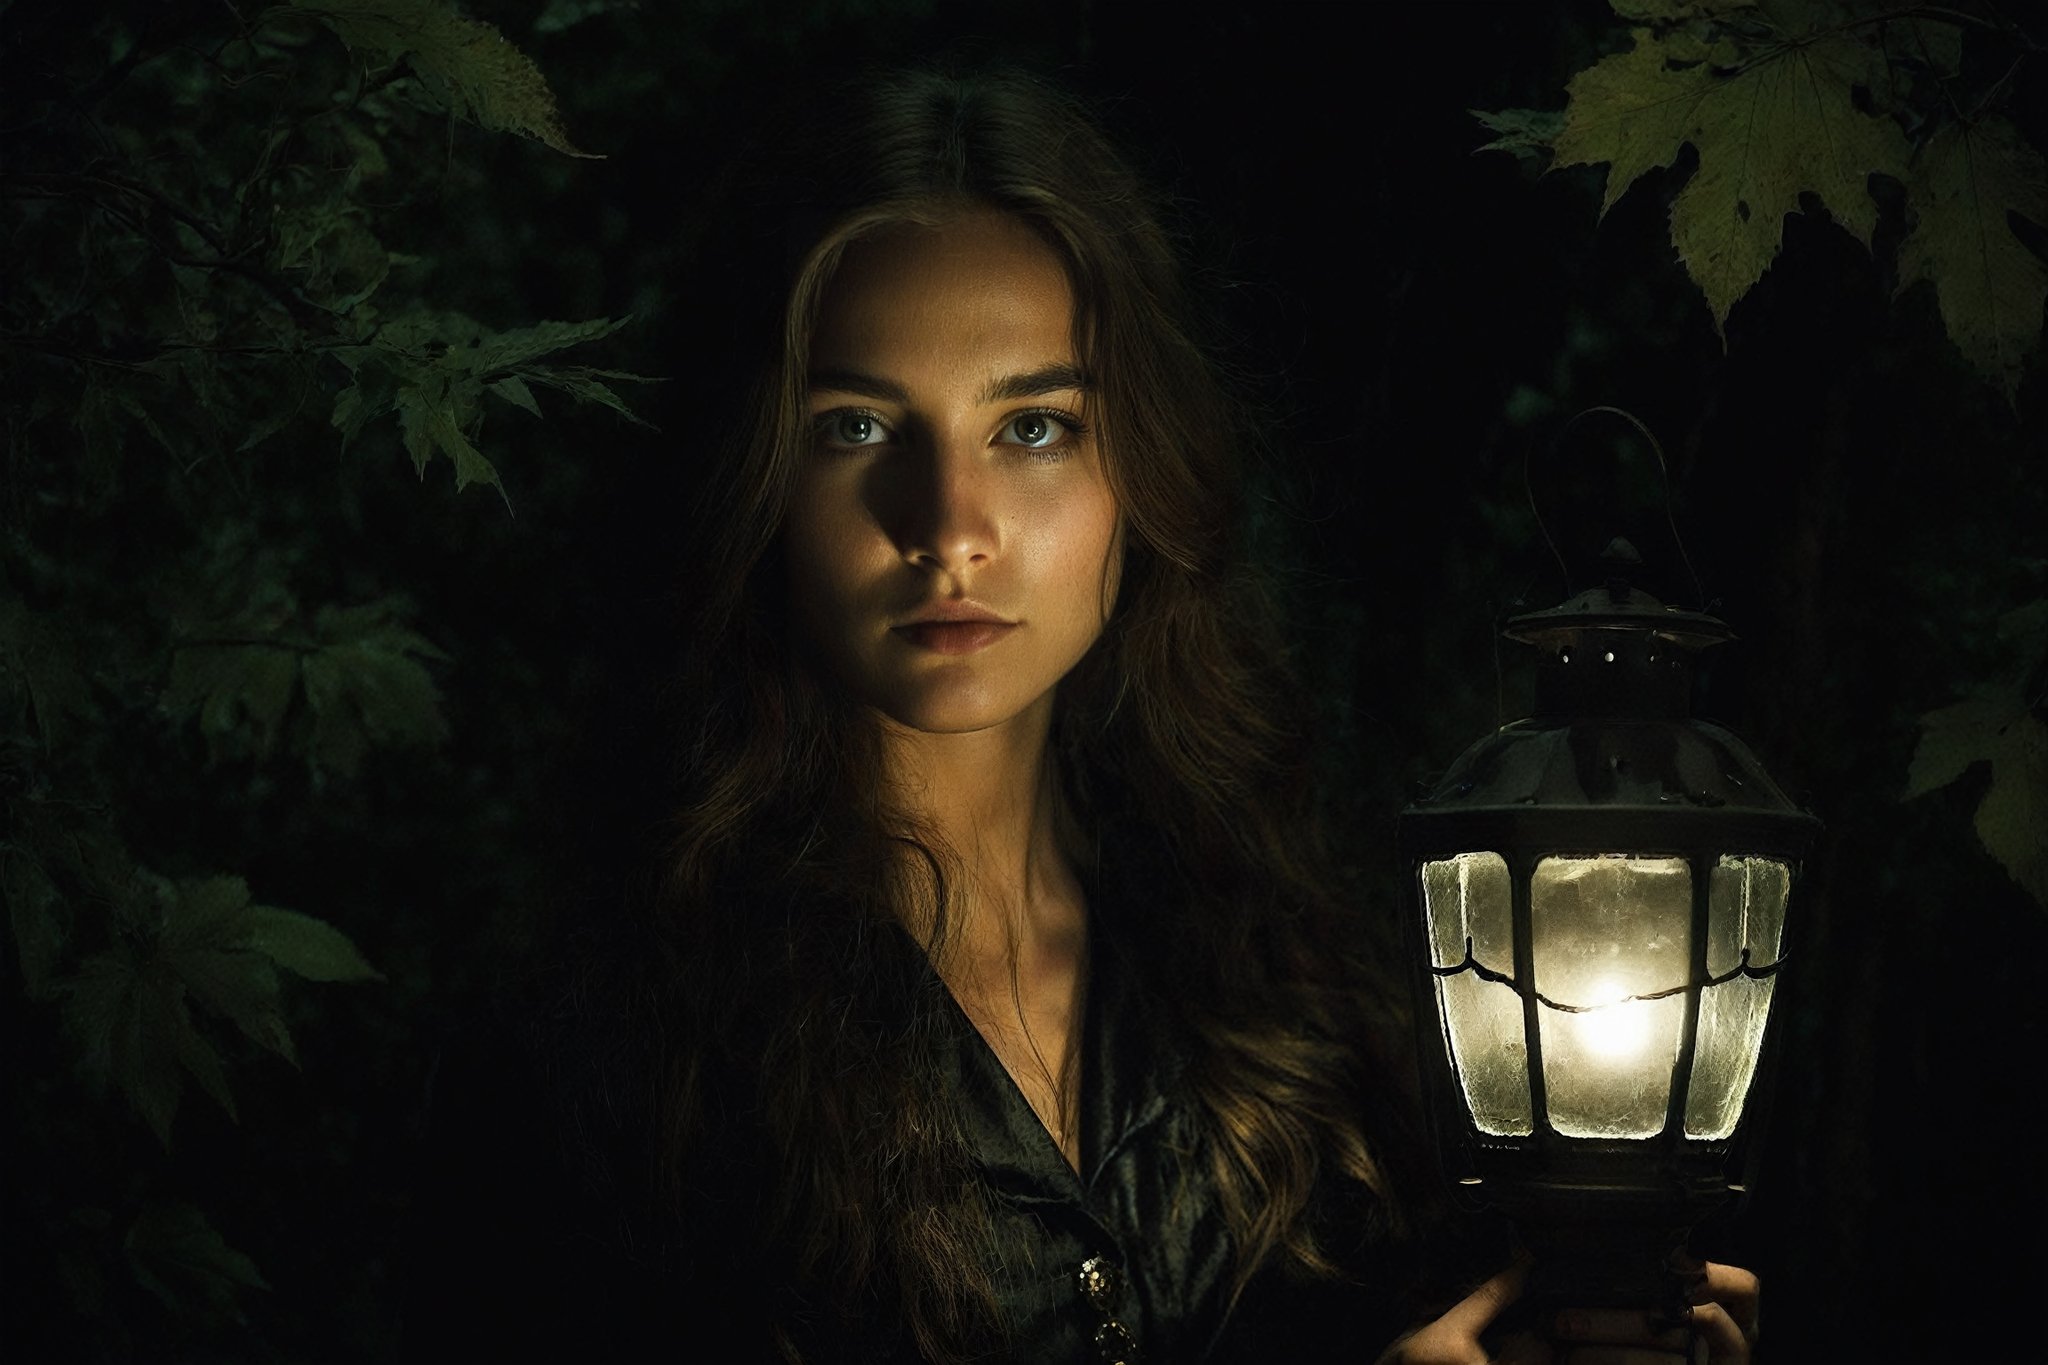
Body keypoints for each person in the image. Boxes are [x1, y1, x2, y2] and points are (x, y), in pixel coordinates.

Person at [402, 65, 1759, 1364]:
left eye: (1033, 426)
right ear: (752, 473)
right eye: (858, 428)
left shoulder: (1271, 981)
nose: (949, 530)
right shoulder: (618, 1052)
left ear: (1145, 462)